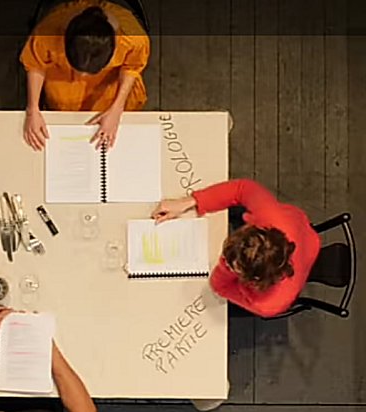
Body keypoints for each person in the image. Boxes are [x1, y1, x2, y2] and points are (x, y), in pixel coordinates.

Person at [151, 179, 321, 318]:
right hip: (305, 236)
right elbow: (242, 188)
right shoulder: (271, 217)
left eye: (233, 265)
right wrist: (188, 202)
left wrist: (225, 267)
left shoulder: (267, 303)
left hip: (302, 245)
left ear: (252, 280)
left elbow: (219, 286)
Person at [20, 0, 150, 151]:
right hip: (62, 82)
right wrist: (33, 110)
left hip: (110, 86)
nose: (82, 75)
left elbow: (132, 67)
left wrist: (117, 109)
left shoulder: (134, 38)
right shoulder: (48, 31)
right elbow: (35, 64)